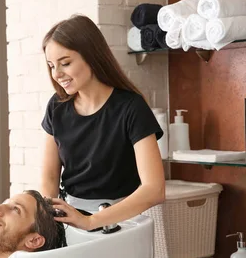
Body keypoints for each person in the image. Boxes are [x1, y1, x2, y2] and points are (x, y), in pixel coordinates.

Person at [40, 14, 166, 231]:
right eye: (52, 66)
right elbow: (49, 177)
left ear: (91, 56)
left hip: (123, 220)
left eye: (65, 63)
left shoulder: (131, 107)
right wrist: (46, 218)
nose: (57, 74)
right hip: (71, 219)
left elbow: (154, 189)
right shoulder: (57, 106)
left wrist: (91, 221)